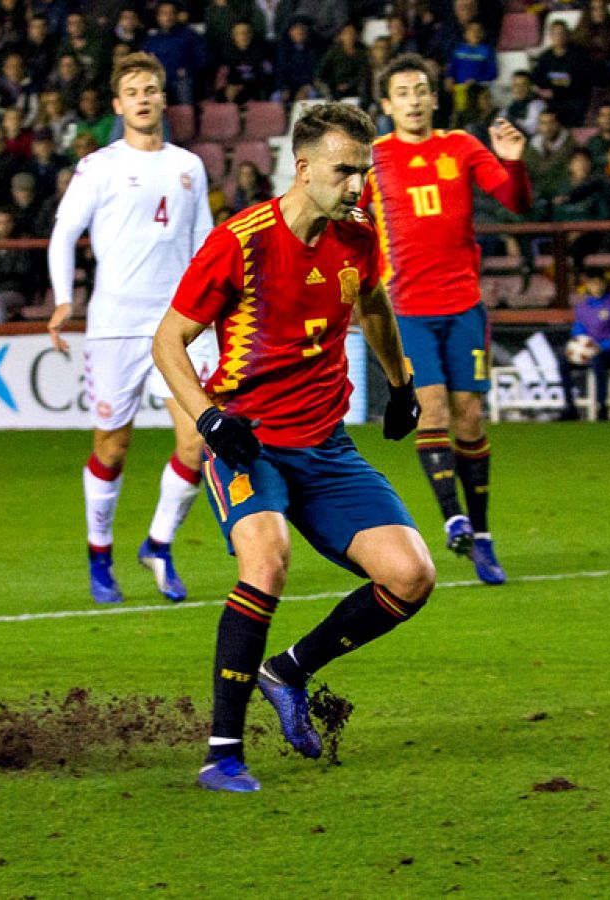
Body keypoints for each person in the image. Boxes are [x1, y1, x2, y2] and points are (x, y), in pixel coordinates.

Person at [152, 102, 431, 794]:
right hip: (249, 443)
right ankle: (222, 752)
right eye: (345, 171)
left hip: (324, 445)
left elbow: (372, 306)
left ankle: (290, 670)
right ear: (303, 169)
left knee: (411, 574)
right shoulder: (239, 242)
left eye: (364, 171)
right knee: (267, 562)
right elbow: (168, 342)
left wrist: (401, 384)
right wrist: (210, 419)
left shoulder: (359, 234)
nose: (358, 185)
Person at [46, 53, 214, 606]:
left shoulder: (190, 165)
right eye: (133, 91)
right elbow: (64, 232)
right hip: (115, 324)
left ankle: (159, 544)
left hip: (175, 324)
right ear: (118, 106)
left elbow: (204, 248)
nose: (143, 97)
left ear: (164, 99)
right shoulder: (100, 167)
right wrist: (66, 297)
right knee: (112, 446)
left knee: (197, 441)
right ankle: (100, 555)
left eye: (151, 89)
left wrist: (213, 311)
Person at [361, 54, 531, 585]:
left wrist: (516, 162)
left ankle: (481, 534)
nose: (413, 100)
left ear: (434, 98)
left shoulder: (461, 147)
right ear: (387, 105)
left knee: (470, 416)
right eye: (402, 93)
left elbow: (514, 200)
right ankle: (451, 516)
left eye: (421, 90)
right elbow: (352, 221)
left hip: (462, 304)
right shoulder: (374, 161)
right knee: (430, 410)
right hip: (406, 309)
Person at [561, 269, 610, 420]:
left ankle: (601, 408)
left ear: (605, 283)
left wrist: (602, 346)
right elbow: (578, 332)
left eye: (598, 281)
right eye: (592, 282)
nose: (595, 285)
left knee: (598, 361)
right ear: (587, 285)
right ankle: (569, 407)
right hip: (591, 351)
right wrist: (580, 346)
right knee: (563, 361)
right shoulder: (583, 307)